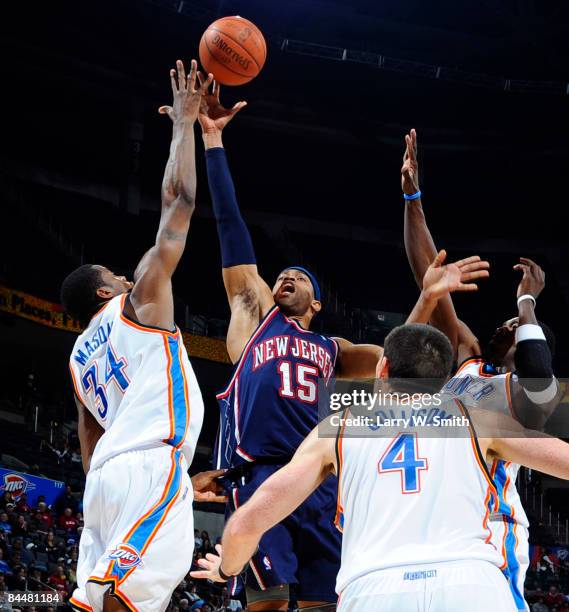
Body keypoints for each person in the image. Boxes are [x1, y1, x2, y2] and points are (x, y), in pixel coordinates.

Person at [187, 79, 488, 611]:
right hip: (263, 473)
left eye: (296, 277)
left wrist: (429, 292)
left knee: (325, 603)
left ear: (317, 301)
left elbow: (400, 358)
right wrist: (212, 141)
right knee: (270, 600)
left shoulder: (335, 348)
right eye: (278, 275)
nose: (284, 279)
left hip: (325, 475)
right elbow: (232, 231)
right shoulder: (252, 322)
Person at [190, 302, 569, 611]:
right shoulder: (479, 419)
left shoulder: (338, 428)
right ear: (442, 380)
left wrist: (227, 569)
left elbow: (247, 523)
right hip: (471, 584)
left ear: (382, 369)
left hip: (374, 588)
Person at [61, 60, 211, 612]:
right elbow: (181, 204)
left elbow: (88, 438)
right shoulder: (139, 302)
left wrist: (109, 483)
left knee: (100, 600)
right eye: (113, 276)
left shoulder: (78, 359)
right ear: (105, 294)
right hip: (149, 461)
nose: (125, 276)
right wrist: (183, 125)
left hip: (103, 480)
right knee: (129, 599)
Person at [400, 128, 562, 611]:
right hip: (430, 536)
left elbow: (537, 372)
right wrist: (413, 197)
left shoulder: (525, 396)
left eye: (514, 325)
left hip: (489, 543)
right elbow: (430, 276)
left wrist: (528, 303)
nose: (504, 323)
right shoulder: (469, 359)